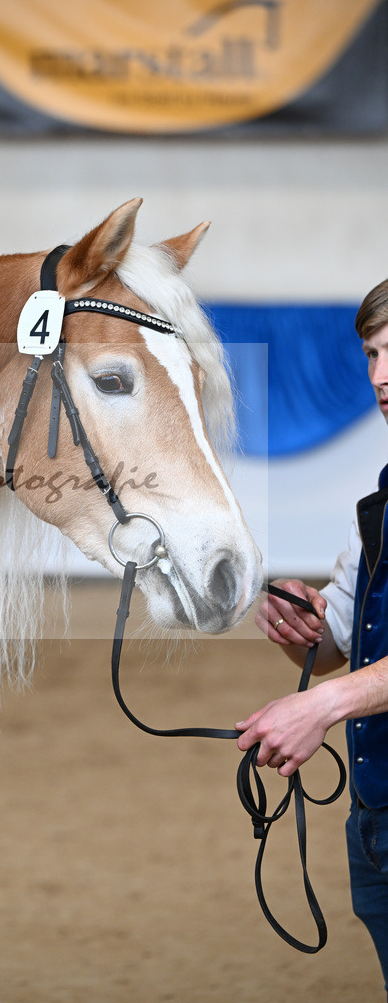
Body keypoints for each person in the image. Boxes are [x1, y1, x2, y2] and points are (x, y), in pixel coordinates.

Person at [235, 278, 388, 992]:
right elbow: (333, 646)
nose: (381, 375)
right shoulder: (380, 504)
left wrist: (320, 707)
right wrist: (299, 622)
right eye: (372, 354)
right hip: (377, 820)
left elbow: (331, 688)